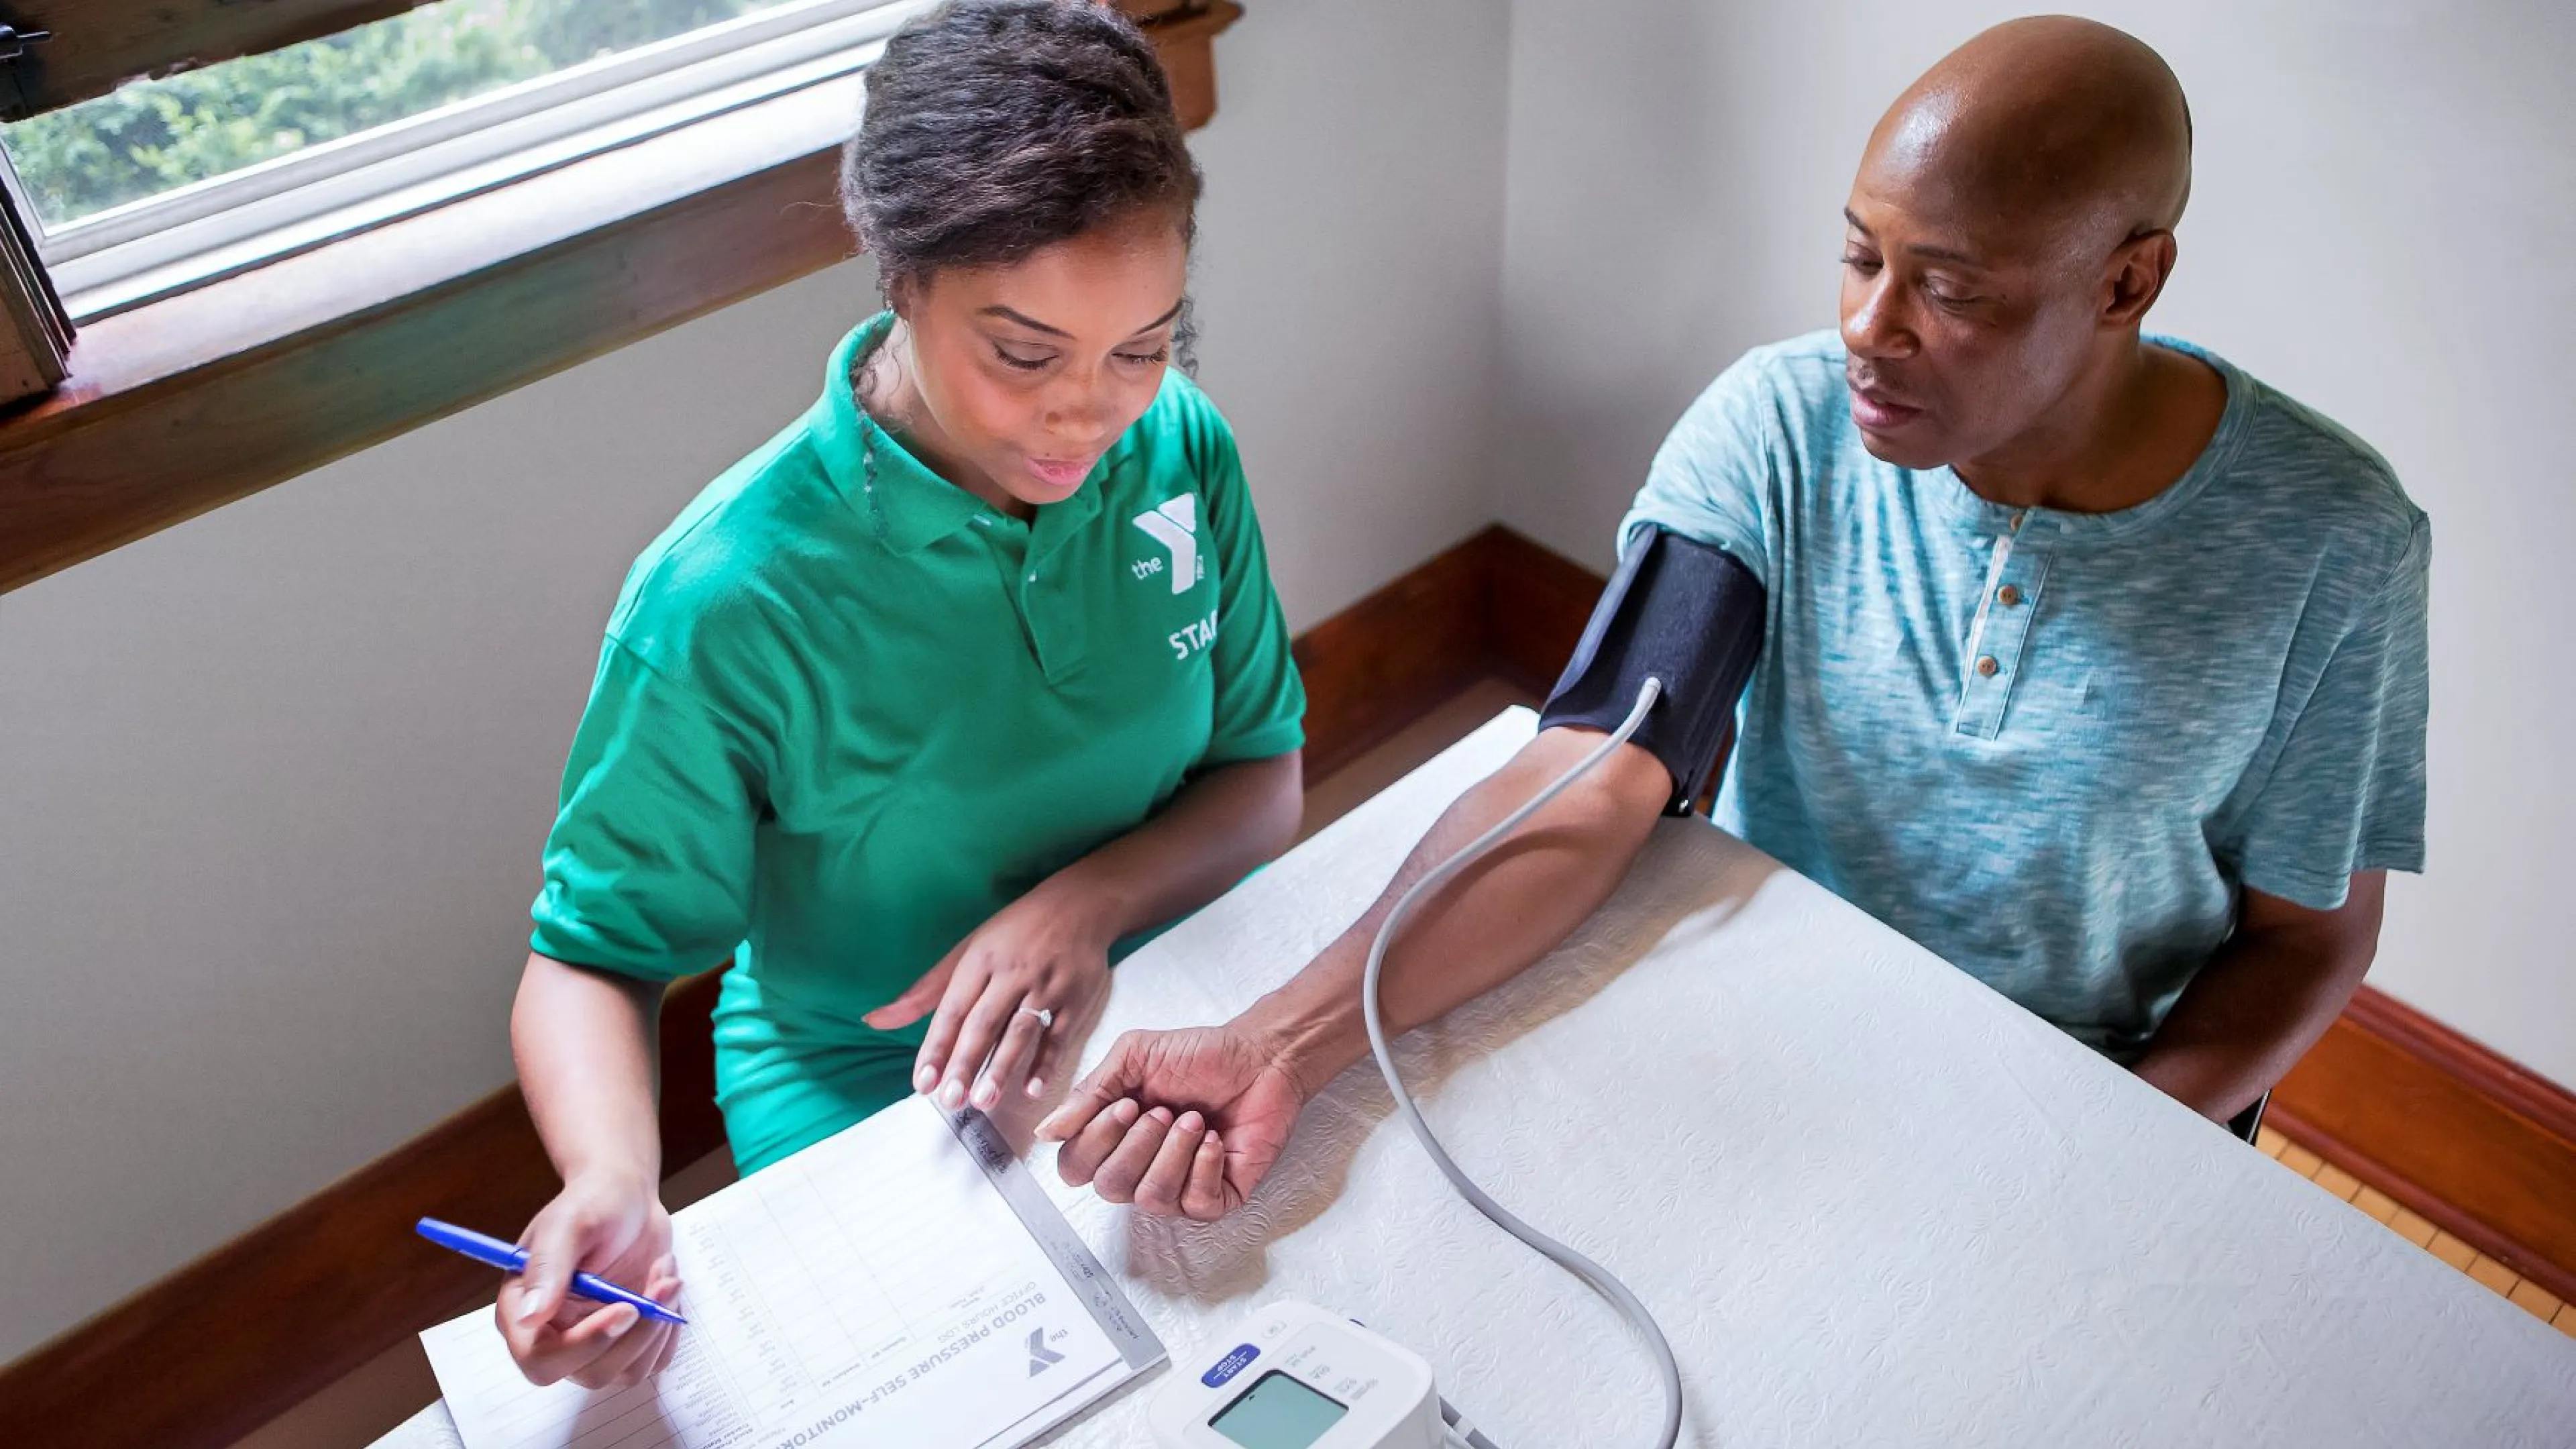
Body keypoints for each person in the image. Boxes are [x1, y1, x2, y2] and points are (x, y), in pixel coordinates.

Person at [1039, 15, 2428, 1221]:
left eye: (1946, 290)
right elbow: (1585, 773)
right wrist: (1281, 1043)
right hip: (1769, 1033)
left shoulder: (2333, 542)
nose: (1870, 330)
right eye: (1859, 255)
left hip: (2088, 1101)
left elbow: (2306, 939)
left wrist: (2105, 1160)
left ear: (2127, 281)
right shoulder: (1782, 428)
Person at [498, 0, 1307, 1387]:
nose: (1093, 416)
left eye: (1143, 344)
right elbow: (596, 954)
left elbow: (1261, 775)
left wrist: (1080, 908)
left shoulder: (1181, 448)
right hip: (878, 1078)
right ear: (898, 278)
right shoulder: (725, 597)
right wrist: (614, 1176)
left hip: (1172, 999)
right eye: (1025, 354)